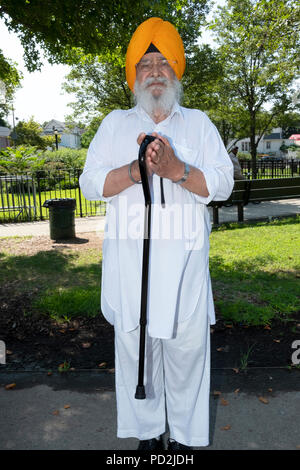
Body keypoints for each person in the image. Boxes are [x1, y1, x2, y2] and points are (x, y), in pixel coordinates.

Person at [79, 17, 234, 451]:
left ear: (176, 71)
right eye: (145, 63)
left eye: (163, 61)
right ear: (134, 75)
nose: (154, 70)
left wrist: (175, 169)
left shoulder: (200, 124)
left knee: (187, 359)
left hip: (184, 268)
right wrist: (135, 171)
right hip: (132, 268)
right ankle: (148, 440)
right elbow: (89, 184)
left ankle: (184, 444)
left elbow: (221, 185)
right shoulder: (114, 124)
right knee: (137, 360)